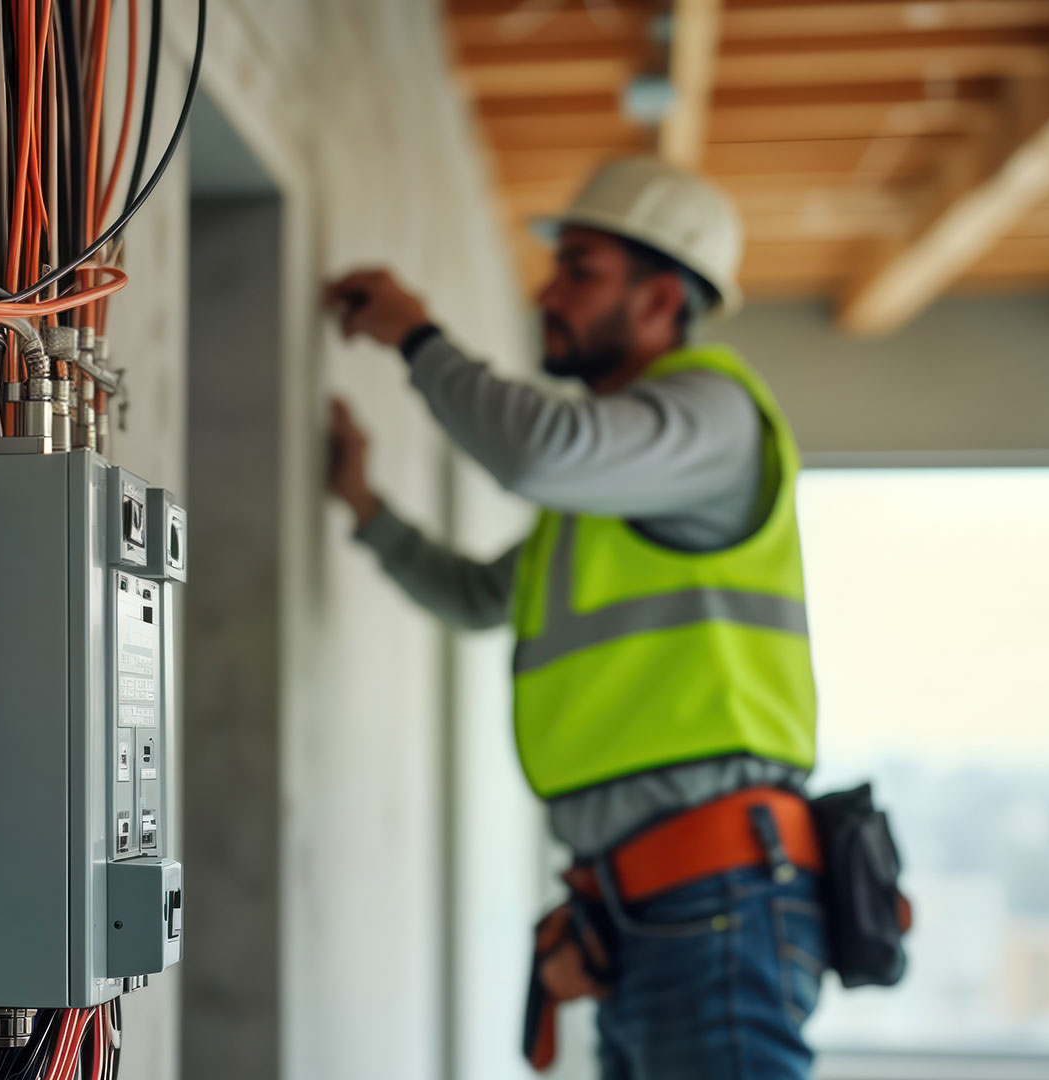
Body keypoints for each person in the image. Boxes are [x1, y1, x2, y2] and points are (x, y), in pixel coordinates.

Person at [323, 155, 826, 1079]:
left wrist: (415, 336)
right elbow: (482, 597)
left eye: (580, 269)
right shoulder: (610, 488)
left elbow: (538, 450)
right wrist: (365, 506)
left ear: (659, 299)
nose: (548, 292)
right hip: (651, 909)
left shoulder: (712, 415)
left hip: (714, 896)